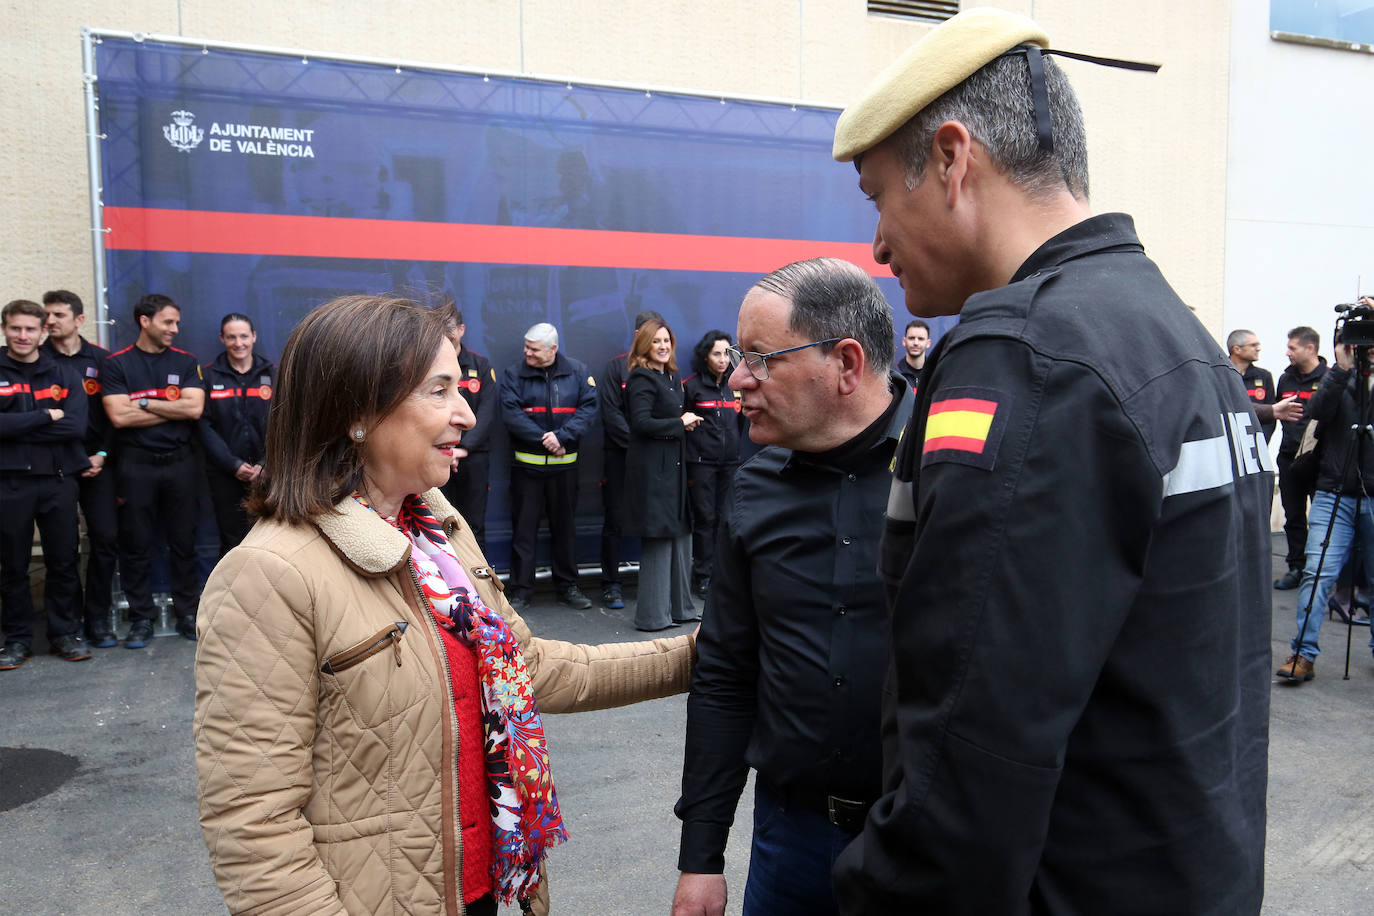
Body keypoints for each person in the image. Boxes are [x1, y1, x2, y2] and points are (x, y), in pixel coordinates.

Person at [830, 8, 1272, 912]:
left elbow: (973, 751)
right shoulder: (1170, 331)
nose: (875, 244)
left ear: (953, 159)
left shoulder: (1026, 356)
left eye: (878, 197)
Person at [194, 295, 696, 916]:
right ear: (357, 411)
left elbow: (531, 671)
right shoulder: (267, 574)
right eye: (439, 390)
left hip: (480, 890)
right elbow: (254, 827)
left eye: (460, 387)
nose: (464, 412)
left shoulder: (436, 526)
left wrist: (702, 655)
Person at [672, 258, 911, 916]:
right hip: (791, 842)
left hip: (924, 846)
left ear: (846, 363)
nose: (736, 377)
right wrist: (701, 855)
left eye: (760, 358)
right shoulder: (754, 488)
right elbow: (724, 671)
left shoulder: (950, 471)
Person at [102, 293, 206, 647]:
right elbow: (118, 415)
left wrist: (143, 401)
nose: (175, 329)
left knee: (184, 544)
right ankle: (141, 619)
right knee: (136, 545)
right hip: (135, 466)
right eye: (167, 322)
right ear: (145, 321)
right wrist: (169, 405)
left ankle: (187, 614)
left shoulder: (186, 360)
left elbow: (194, 410)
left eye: (176, 322)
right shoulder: (117, 364)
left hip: (180, 463)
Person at [0, 299, 91, 668]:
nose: (23, 336)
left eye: (30, 329)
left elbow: (75, 426)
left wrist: (15, 428)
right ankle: (18, 640)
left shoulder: (62, 373)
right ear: (5, 329)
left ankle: (64, 635)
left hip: (57, 482)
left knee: (63, 562)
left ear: (43, 332)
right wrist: (42, 416)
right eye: (15, 328)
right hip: (9, 484)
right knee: (12, 566)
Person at [499, 322, 598, 612]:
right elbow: (511, 414)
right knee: (523, 531)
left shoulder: (578, 372)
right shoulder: (513, 374)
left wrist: (563, 437)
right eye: (526, 346)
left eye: (533, 349)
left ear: (553, 349)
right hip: (526, 470)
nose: (526, 352)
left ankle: (568, 586)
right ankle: (521, 591)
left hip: (565, 469)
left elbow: (589, 408)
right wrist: (548, 440)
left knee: (565, 529)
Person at [40, 289, 119, 647]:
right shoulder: (37, 361)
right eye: (47, 315)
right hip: (57, 466)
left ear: (79, 320)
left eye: (58, 314)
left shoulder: (103, 361)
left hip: (98, 463)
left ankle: (98, 620)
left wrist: (101, 453)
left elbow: (113, 418)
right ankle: (67, 624)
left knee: (104, 540)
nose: (50, 321)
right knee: (63, 548)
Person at [624, 320, 702, 631]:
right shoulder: (642, 377)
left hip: (673, 468)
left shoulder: (671, 376)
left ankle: (681, 609)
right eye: (656, 341)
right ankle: (653, 617)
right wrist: (679, 423)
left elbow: (667, 420)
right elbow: (641, 423)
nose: (663, 346)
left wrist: (683, 423)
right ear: (644, 344)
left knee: (681, 535)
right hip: (654, 473)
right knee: (659, 539)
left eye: (666, 340)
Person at [598, 309, 664, 609]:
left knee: (654, 523)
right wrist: (639, 446)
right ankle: (611, 584)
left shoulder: (666, 371)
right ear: (639, 336)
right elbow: (612, 415)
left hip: (654, 463)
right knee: (615, 521)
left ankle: (654, 586)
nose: (659, 344)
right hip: (621, 459)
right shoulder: (616, 368)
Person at [199, 313, 275, 557]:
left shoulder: (272, 374)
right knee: (231, 541)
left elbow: (282, 422)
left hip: (268, 474)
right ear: (222, 339)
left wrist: (265, 464)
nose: (238, 343)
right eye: (231, 337)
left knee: (270, 538)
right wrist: (232, 464)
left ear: (254, 337)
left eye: (244, 336)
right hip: (225, 475)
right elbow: (204, 426)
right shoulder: (209, 376)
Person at [683, 330, 740, 597]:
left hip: (730, 463)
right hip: (702, 463)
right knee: (704, 519)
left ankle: (721, 574)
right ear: (705, 356)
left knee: (724, 518)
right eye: (716, 353)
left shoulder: (735, 386)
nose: (722, 360)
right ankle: (703, 575)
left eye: (727, 354)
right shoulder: (692, 387)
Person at [1273, 326, 1329, 589]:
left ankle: (1322, 573)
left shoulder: (1331, 378)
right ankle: (1297, 567)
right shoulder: (1285, 379)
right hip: (1289, 460)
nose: (1287, 352)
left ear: (1310, 348)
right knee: (1293, 516)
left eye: (1292, 347)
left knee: (1323, 519)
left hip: (1320, 462)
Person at [437, 304, 497, 551]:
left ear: (462, 329)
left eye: (450, 330)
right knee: (438, 521)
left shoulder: (480, 365)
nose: (447, 335)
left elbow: (486, 412)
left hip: (473, 456)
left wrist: (463, 449)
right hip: (438, 454)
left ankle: (479, 585)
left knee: (474, 523)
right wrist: (446, 448)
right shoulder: (426, 365)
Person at [1226, 328, 1297, 442]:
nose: (1258, 349)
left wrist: (1260, 442)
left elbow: (1272, 415)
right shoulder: (1220, 375)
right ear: (1237, 349)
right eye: (1253, 345)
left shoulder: (1264, 376)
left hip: (1255, 444)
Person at [894, 318, 928, 394]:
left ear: (928, 343)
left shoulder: (934, 373)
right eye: (911, 338)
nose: (916, 343)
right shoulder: (895, 374)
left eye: (921, 339)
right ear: (904, 341)